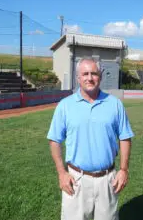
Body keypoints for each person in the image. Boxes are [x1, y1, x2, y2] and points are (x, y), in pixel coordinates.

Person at [47, 57, 134, 220]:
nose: (89, 78)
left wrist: (123, 170)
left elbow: (125, 138)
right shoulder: (65, 106)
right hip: (76, 180)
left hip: (107, 180)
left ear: (100, 76)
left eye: (94, 73)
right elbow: (54, 140)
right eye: (85, 74)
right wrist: (61, 173)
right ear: (78, 78)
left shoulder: (115, 104)